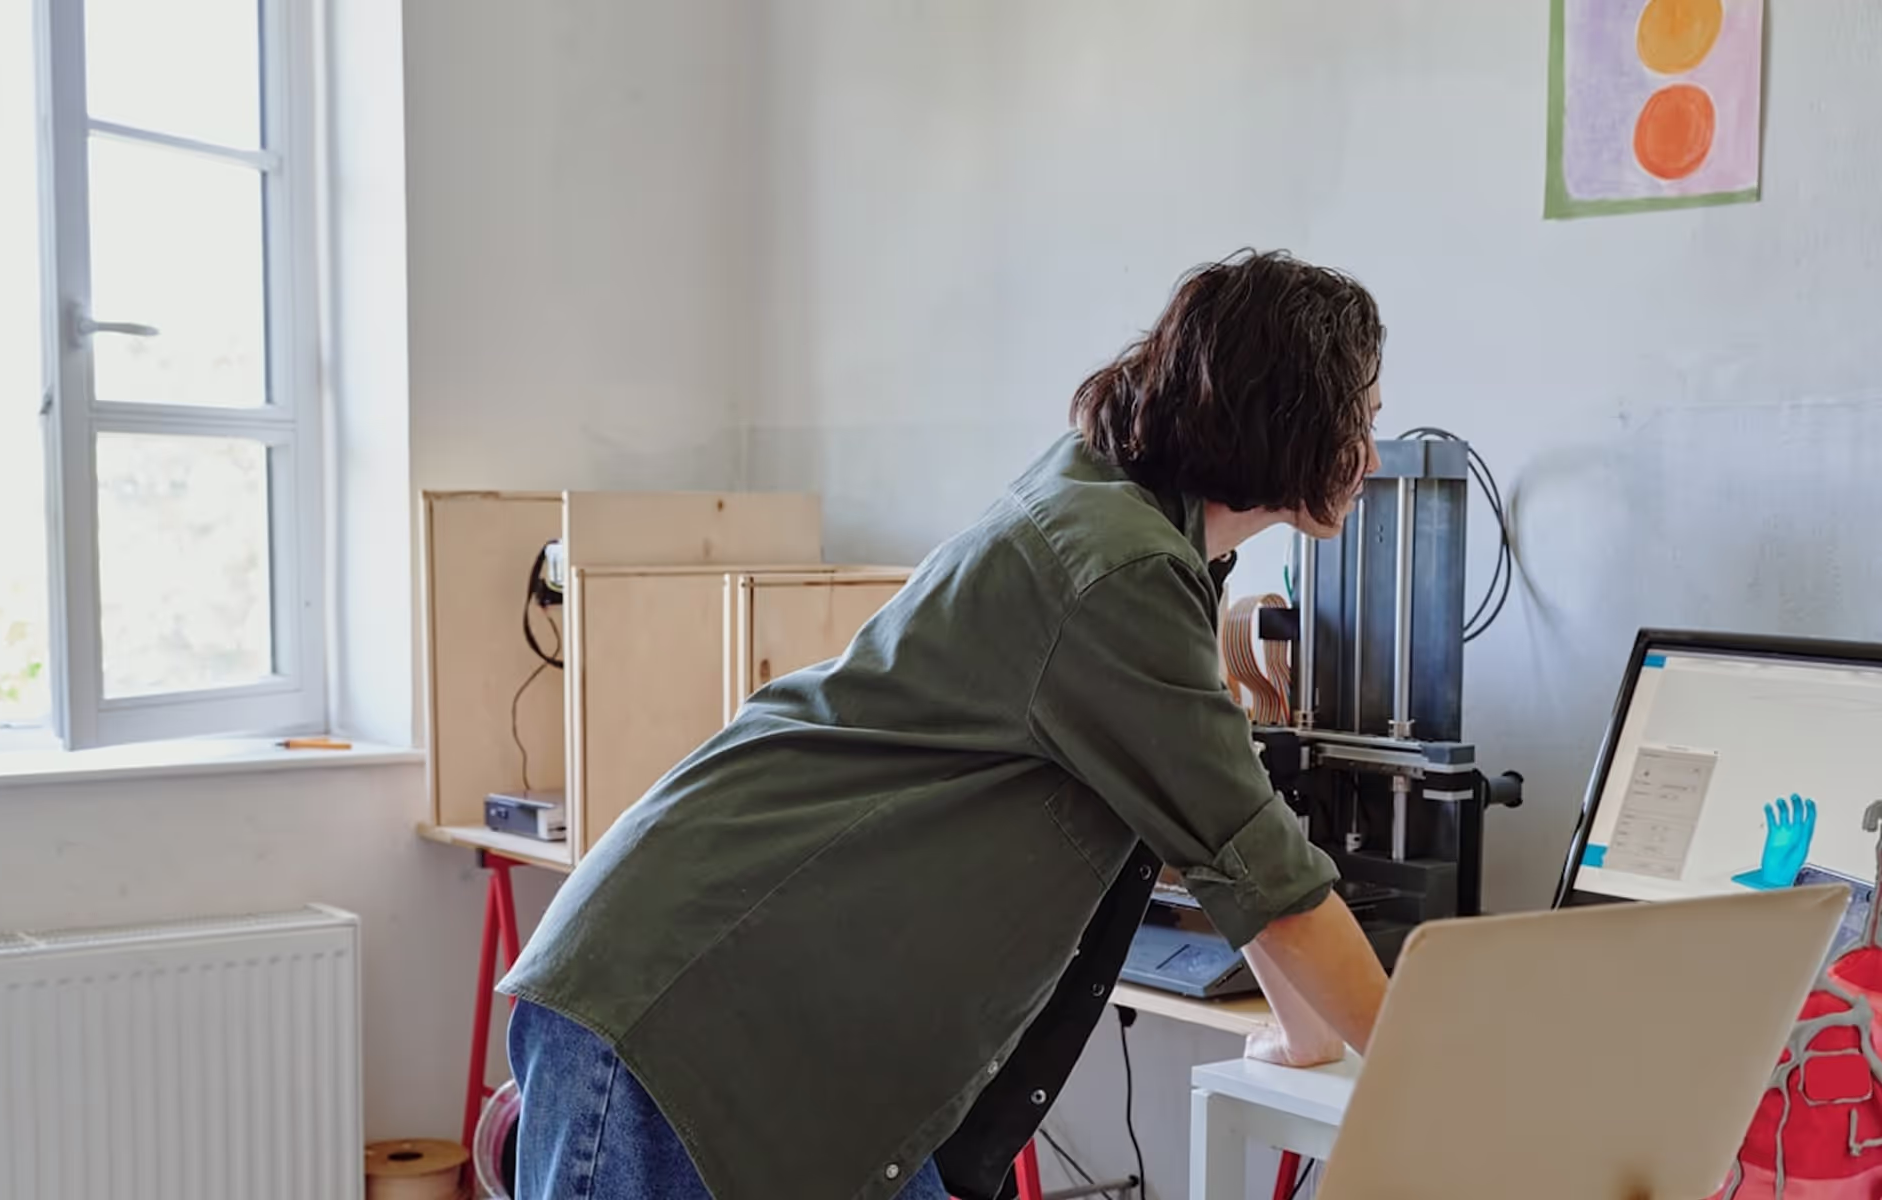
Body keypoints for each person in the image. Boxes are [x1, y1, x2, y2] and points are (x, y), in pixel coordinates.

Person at [500, 249, 1394, 1200]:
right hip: (688, 1018)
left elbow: (1226, 834)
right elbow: (1270, 876)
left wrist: (1308, 1038)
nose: (1373, 457)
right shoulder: (1119, 570)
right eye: (1363, 422)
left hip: (772, 1030)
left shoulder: (1122, 528)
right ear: (1290, 416)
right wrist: (1441, 1087)